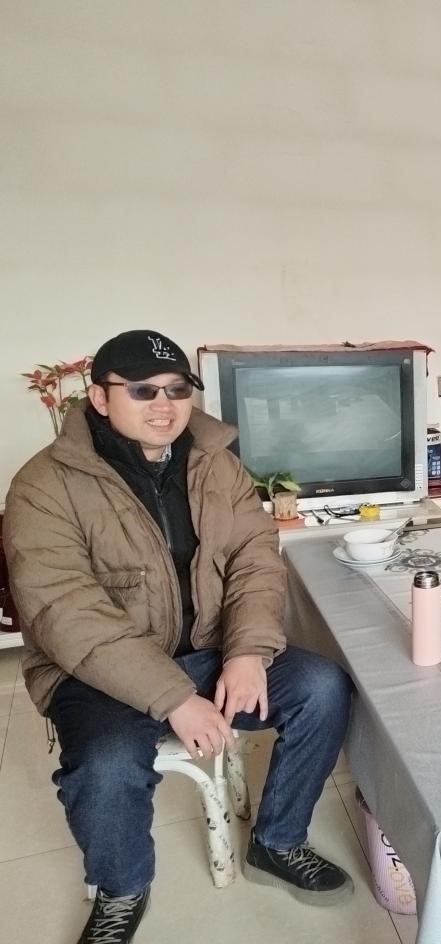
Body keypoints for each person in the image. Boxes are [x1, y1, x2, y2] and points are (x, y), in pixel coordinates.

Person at [3, 330, 355, 944]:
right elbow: (65, 610)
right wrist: (173, 698)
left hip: (211, 647)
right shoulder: (44, 484)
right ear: (100, 397)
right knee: (106, 764)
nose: (163, 405)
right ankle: (121, 888)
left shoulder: (216, 461)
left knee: (323, 688)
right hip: (99, 672)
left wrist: (247, 652)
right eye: (143, 390)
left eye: (175, 390)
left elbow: (254, 556)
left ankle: (277, 841)